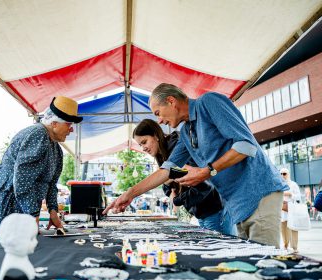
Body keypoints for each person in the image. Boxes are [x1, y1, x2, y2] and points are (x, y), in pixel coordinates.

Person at [104, 83, 288, 247]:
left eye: (158, 113)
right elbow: (167, 170)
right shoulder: (186, 132)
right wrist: (130, 194)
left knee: (265, 264)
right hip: (236, 205)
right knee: (250, 265)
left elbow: (246, 145)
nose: (159, 120)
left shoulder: (208, 102)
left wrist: (207, 171)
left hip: (258, 192)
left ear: (171, 101)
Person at [0, 96, 83, 244]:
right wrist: (32, 214)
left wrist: (53, 211)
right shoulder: (38, 134)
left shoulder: (56, 149)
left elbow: (51, 184)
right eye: (69, 124)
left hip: (19, 201)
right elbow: (22, 180)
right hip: (8, 199)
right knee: (6, 248)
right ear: (54, 124)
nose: (71, 129)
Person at [133, 119, 236, 235]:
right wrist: (168, 182)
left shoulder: (176, 146)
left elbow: (200, 181)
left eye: (144, 142)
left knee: (220, 249)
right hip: (202, 211)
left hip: (214, 209)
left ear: (156, 135)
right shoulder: (163, 154)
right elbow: (167, 185)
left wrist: (177, 198)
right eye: (140, 145)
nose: (143, 148)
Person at [280, 167, 301, 252]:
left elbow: (299, 197)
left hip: (292, 209)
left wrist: (290, 194)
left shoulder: (293, 184)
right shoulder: (279, 184)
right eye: (281, 174)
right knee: (283, 229)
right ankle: (285, 245)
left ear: (288, 174)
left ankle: (295, 247)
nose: (282, 175)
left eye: (284, 173)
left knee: (293, 228)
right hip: (282, 209)